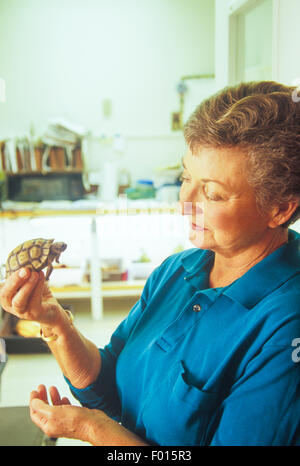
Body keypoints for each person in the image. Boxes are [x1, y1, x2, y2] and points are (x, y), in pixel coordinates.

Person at [1, 81, 300, 446]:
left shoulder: (285, 325)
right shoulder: (179, 271)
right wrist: (53, 320)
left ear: (279, 208)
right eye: (186, 177)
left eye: (212, 192)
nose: (184, 202)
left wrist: (91, 429)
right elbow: (109, 387)